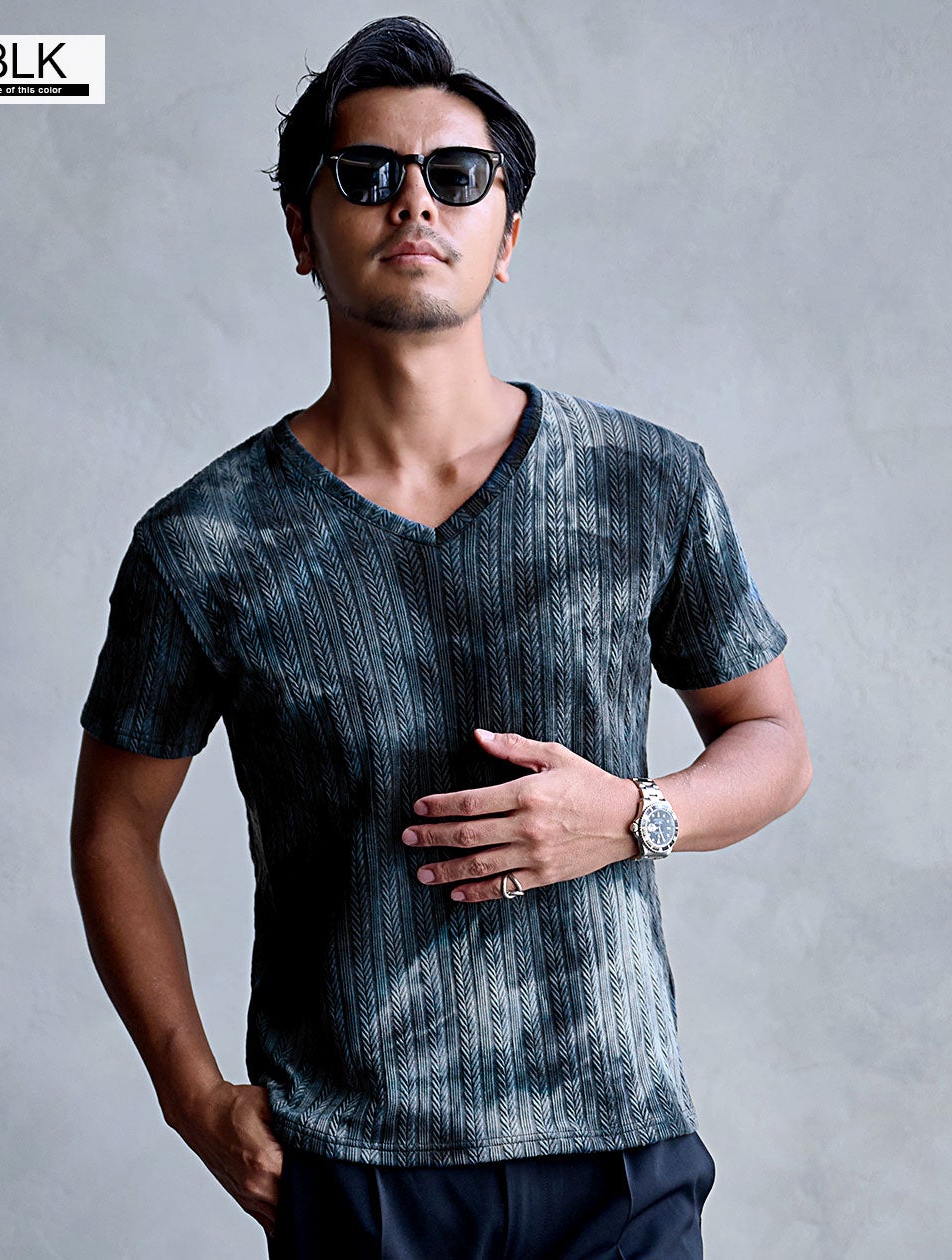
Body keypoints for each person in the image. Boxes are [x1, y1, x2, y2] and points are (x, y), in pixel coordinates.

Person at [70, 15, 812, 1259]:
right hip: (359, 1170)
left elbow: (773, 739)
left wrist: (634, 814)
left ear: (505, 237)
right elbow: (112, 829)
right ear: (302, 234)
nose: (414, 201)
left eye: (457, 176)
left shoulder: (645, 482)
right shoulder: (204, 542)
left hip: (617, 1153)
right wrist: (194, 1099)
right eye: (366, 174)